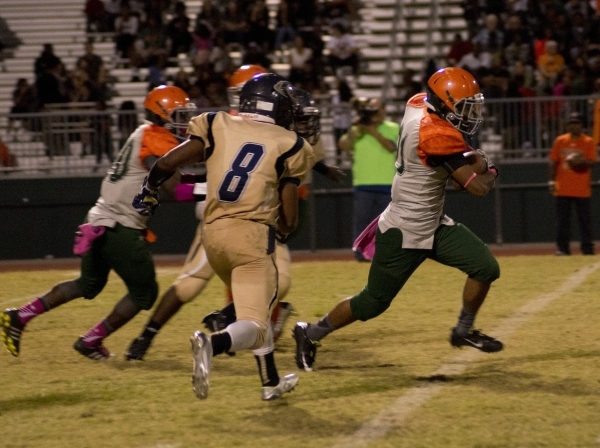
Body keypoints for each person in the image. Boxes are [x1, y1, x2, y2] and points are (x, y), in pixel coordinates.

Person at [293, 67, 503, 372]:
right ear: (444, 104)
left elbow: (457, 164)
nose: (471, 114)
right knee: (372, 303)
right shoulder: (435, 134)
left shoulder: (419, 103)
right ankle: (309, 333)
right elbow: (476, 187)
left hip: (432, 222)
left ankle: (463, 331)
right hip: (404, 230)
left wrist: (473, 159)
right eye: (464, 107)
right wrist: (491, 166)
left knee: (485, 267)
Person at [131, 73, 315, 401]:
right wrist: (283, 229)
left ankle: (270, 382)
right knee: (255, 323)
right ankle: (212, 343)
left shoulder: (218, 123)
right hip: (251, 236)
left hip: (212, 236)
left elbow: (166, 162)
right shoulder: (291, 145)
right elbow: (289, 217)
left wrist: (150, 188)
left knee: (254, 306)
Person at [0, 86, 191, 360]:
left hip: (99, 218)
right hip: (121, 226)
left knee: (88, 284)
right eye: (179, 115)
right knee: (145, 293)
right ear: (161, 114)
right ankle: (91, 340)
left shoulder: (143, 133)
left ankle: (21, 315)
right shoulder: (156, 138)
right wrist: (215, 188)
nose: (184, 122)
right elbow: (176, 189)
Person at [338, 96, 399, 261]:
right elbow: (344, 146)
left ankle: (387, 253)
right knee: (362, 223)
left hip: (387, 183)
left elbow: (391, 147)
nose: (373, 113)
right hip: (363, 184)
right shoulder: (357, 130)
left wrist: (372, 130)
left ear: (384, 110)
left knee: (387, 224)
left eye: (376, 109)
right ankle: (361, 254)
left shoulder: (393, 127)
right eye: (370, 109)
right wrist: (358, 128)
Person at [548, 112, 597, 256]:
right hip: (563, 187)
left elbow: (593, 161)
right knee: (563, 222)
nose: (574, 125)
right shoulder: (561, 140)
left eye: (576, 122)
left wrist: (581, 162)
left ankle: (587, 249)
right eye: (572, 123)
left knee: (585, 221)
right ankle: (562, 249)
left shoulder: (588, 142)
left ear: (581, 125)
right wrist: (551, 180)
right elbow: (553, 161)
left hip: (582, 188)